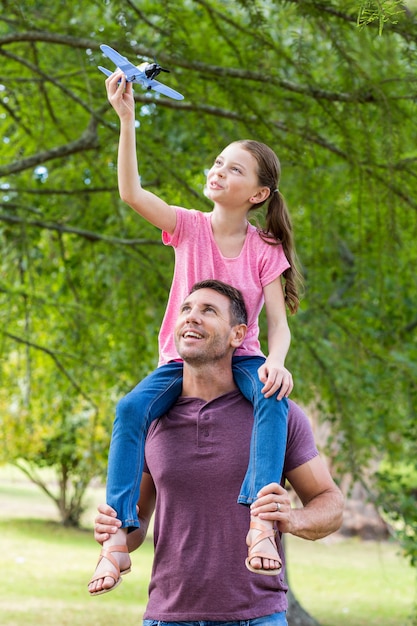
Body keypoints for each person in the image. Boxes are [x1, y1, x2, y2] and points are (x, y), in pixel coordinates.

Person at [89, 67, 303, 592]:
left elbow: (278, 324)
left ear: (258, 194)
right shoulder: (185, 226)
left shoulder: (264, 250)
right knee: (130, 409)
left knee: (273, 401)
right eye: (217, 164)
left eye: (234, 170)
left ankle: (258, 522)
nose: (219, 172)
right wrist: (126, 120)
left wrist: (276, 363)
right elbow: (132, 192)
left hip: (244, 358)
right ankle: (116, 543)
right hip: (179, 362)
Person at [89, 280, 344, 626]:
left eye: (208, 311)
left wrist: (292, 519)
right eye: (186, 309)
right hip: (167, 616)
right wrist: (115, 529)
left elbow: (331, 504)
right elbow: (140, 524)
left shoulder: (275, 412)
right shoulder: (150, 418)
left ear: (238, 334)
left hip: (257, 617)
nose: (192, 317)